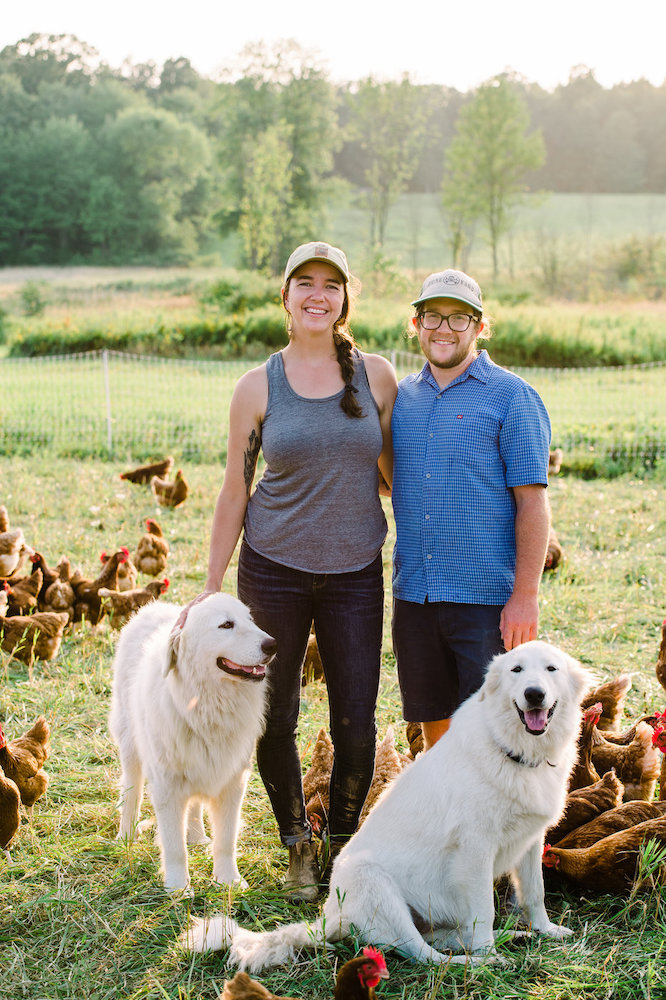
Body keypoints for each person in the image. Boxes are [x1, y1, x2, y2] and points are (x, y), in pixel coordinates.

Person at [175, 241, 397, 900]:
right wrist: (211, 588)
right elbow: (234, 492)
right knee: (275, 715)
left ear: (345, 299)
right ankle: (298, 845)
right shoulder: (257, 386)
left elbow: (396, 476)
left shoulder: (377, 377)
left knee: (357, 718)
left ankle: (343, 845)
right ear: (287, 296)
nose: (318, 295)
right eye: (305, 283)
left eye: (331, 284)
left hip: (356, 570)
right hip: (272, 569)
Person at [390, 268, 552, 751]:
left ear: (480, 327)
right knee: (433, 722)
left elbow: (532, 502)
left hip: (484, 600)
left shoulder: (512, 397)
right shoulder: (402, 399)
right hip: (414, 594)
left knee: (491, 729)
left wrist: (525, 595)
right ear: (415, 324)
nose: (444, 328)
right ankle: (447, 820)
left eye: (459, 317)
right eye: (432, 316)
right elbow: (389, 480)